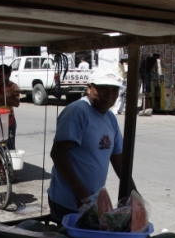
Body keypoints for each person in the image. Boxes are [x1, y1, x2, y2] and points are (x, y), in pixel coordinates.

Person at [47, 70, 131, 221]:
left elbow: (118, 159)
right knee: (69, 236)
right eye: (103, 89)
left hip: (91, 201)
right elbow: (58, 154)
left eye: (114, 90)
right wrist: (79, 192)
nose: (109, 95)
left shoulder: (110, 117)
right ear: (89, 88)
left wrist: (133, 193)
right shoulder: (77, 111)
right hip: (69, 200)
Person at [0, 64, 21, 149]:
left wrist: (2, 97)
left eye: (0, 75)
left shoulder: (13, 87)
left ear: (7, 75)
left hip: (8, 120)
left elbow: (17, 103)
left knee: (9, 147)